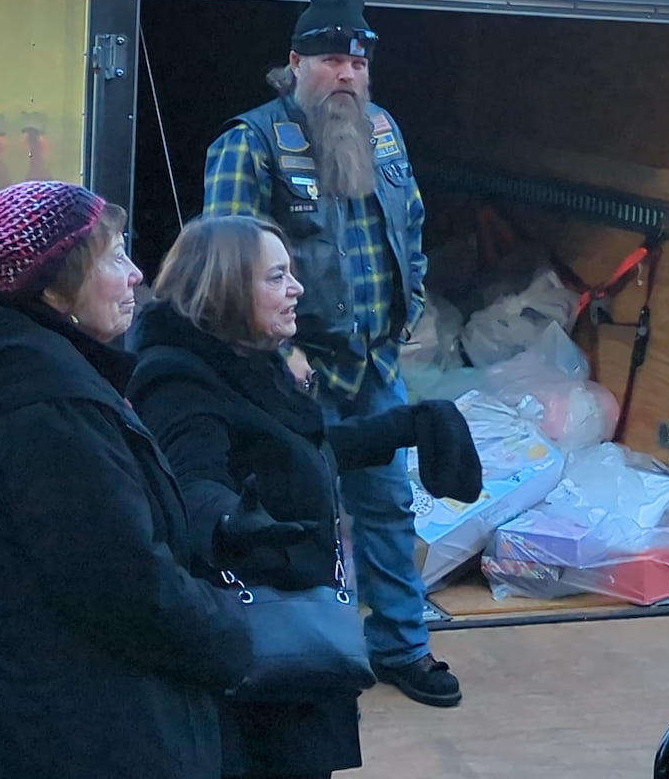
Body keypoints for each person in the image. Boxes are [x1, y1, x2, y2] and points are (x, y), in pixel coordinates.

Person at [0, 181, 252, 779]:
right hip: (63, 739)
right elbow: (128, 587)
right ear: (54, 286)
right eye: (114, 257)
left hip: (14, 725)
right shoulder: (48, 409)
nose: (136, 274)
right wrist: (235, 632)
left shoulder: (16, 370)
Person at [128, 215, 480, 779]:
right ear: (226, 289)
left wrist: (410, 425)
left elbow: (294, 453)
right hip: (250, 652)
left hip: (292, 632)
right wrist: (228, 520)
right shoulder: (178, 380)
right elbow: (188, 483)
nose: (297, 289)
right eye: (277, 277)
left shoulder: (252, 363)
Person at [203, 0, 459, 707]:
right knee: (285, 519)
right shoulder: (250, 143)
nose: (346, 73)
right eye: (330, 60)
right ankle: (295, 654)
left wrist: (402, 318)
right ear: (296, 64)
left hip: (375, 370)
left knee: (385, 507)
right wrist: (281, 355)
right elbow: (224, 272)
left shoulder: (383, 134)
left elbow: (410, 231)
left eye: (357, 61)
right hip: (284, 377)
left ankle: (402, 648)